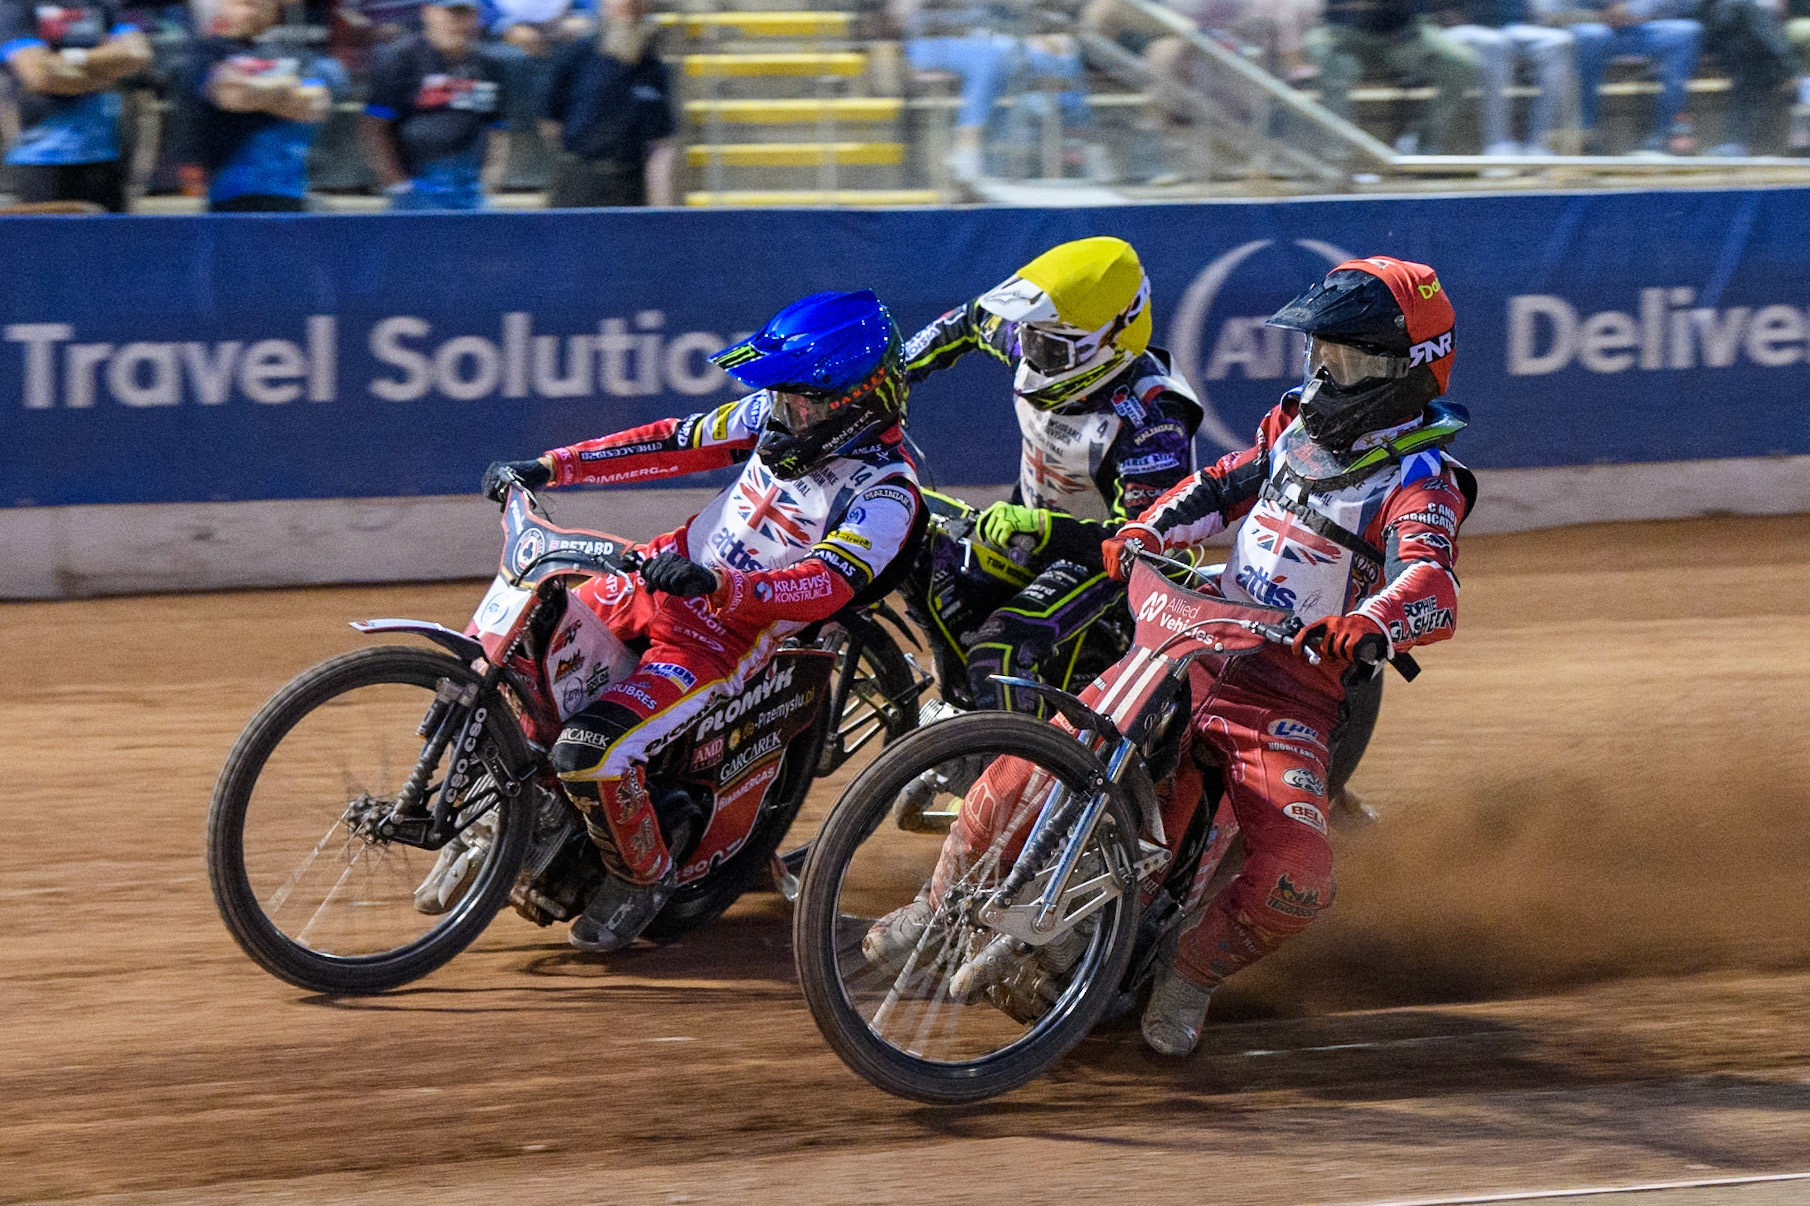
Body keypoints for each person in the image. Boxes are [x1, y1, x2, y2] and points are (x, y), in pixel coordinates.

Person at [870, 256, 1474, 1057]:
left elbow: (1431, 578)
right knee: (1039, 753)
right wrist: (1147, 530)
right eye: (1319, 356)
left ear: (1409, 373)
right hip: (1195, 637)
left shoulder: (1424, 477)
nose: (1326, 376)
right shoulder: (1291, 426)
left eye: (1350, 362)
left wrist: (1372, 622)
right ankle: (936, 905)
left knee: (1299, 876)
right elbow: (1221, 485)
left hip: (1290, 691)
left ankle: (1187, 977)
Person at [477, 290, 923, 953]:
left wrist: (724, 585)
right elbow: (670, 443)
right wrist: (550, 466)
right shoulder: (778, 420)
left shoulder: (887, 494)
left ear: (855, 403)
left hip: (719, 638)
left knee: (590, 750)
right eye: (779, 397)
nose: (780, 413)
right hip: (652, 576)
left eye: (797, 401)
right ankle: (525, 814)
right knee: (521, 649)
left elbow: (825, 582)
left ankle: (642, 878)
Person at [901, 236, 1203, 713]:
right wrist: (891, 378)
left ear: (1112, 339)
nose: (1031, 358)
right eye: (1028, 339)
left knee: (996, 653)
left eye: (1050, 350)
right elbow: (972, 318)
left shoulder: (1150, 419)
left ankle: (1028, 782)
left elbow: (1142, 545)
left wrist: (1042, 530)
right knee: (921, 554)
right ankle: (965, 715)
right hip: (1029, 529)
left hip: (1107, 565)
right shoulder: (1045, 339)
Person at [172, 0, 348, 211]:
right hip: (234, 196)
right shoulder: (208, 53)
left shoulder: (292, 54)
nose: (252, 10)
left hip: (292, 194)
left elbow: (315, 104)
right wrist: (286, 87)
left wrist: (262, 91)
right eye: (242, 3)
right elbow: (233, 95)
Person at [0, 0, 151, 209]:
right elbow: (39, 75)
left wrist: (70, 58)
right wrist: (106, 73)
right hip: (39, 157)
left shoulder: (103, 4)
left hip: (106, 154)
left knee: (110, 238)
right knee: (46, 239)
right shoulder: (15, 5)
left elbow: (137, 53)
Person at [360, 0, 510, 209]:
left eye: (466, 14)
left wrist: (488, 183)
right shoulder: (399, 59)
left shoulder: (490, 66)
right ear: (427, 12)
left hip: (471, 194)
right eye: (449, 12)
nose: (457, 22)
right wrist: (399, 187)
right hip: (417, 193)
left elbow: (498, 131)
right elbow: (375, 130)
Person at [539, 0, 674, 207]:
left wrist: (663, 212)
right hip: (577, 184)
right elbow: (550, 123)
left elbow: (660, 146)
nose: (629, 5)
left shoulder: (654, 70)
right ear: (604, 5)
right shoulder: (576, 56)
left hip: (628, 187)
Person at [1306, 0, 1479, 153]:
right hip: (1346, 34)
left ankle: (1424, 145)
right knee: (1333, 65)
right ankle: (1338, 153)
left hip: (1403, 35)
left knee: (1460, 62)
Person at [1537, 0, 1702, 153]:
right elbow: (1548, 10)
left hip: (1634, 28)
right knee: (1592, 35)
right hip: (1587, 26)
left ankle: (1665, 134)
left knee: (1687, 32)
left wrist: (1633, 9)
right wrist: (1598, 15)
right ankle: (1586, 132)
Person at [1437, 0, 1575, 154]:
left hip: (1513, 29)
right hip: (1464, 28)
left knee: (1559, 42)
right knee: (1495, 44)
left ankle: (1539, 144)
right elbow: (1442, 10)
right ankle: (1496, 145)